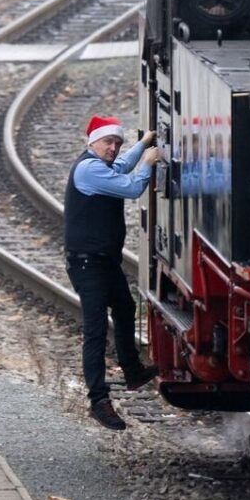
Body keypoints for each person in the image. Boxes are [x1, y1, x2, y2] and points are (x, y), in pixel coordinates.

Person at [66, 115, 161, 430]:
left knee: (125, 308)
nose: (113, 148)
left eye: (117, 143)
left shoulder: (101, 166)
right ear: (92, 141)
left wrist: (141, 145)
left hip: (103, 260)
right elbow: (133, 187)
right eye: (108, 142)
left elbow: (120, 167)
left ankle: (132, 371)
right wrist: (147, 161)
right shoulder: (89, 169)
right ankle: (98, 401)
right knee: (95, 331)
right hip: (87, 263)